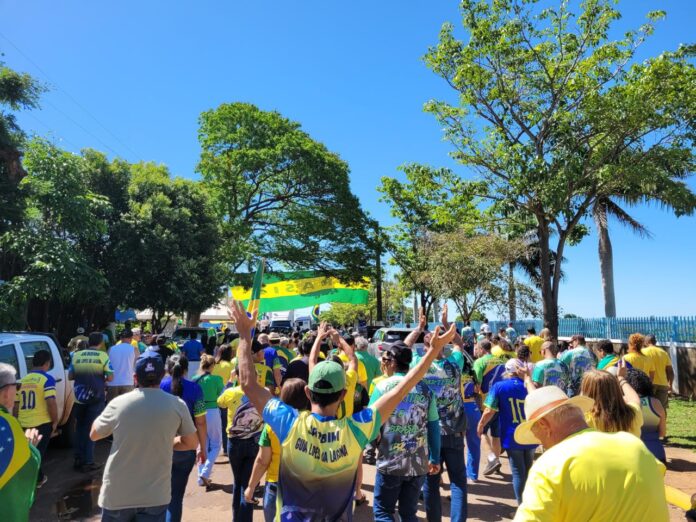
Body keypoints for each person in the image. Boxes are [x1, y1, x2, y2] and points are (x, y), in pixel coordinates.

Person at [231, 299, 456, 521]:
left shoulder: (288, 422)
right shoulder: (356, 429)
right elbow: (401, 390)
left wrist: (244, 336)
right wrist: (432, 351)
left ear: (308, 392)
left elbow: (248, 383)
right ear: (342, 394)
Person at [513, 386, 669, 521]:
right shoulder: (634, 444)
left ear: (544, 425)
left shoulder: (549, 466)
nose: (541, 443)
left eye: (537, 435)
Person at [91, 353, 199, 522]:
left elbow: (94, 434)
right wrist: (167, 441)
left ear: (135, 378)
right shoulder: (177, 404)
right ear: (162, 375)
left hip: (117, 495)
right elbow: (191, 443)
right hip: (155, 497)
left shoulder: (118, 403)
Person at [408, 305, 469, 522]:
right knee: (458, 482)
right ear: (443, 345)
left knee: (431, 482)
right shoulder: (454, 364)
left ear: (425, 347)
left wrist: (419, 328)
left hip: (427, 433)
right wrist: (445, 324)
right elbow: (460, 345)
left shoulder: (418, 365)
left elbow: (404, 347)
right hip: (453, 431)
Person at [369, 341, 440, 522]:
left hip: (389, 461)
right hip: (417, 463)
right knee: (409, 514)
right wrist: (435, 458)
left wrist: (372, 443)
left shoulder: (382, 387)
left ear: (393, 362)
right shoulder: (425, 389)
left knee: (383, 512)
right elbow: (433, 426)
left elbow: (369, 423)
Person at [244, 378, 310, 522]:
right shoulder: (314, 423)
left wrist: (251, 486)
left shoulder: (271, 425)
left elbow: (262, 460)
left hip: (276, 484)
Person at [217, 346, 265, 522]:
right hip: (254, 441)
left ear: (237, 375)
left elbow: (220, 403)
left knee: (238, 482)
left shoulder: (230, 392)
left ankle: (236, 518)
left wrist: (230, 382)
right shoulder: (263, 393)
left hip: (234, 442)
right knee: (247, 483)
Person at [478, 366, 537, 505]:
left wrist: (481, 423)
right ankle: (531, 505)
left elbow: (489, 410)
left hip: (513, 434)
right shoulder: (530, 386)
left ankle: (522, 508)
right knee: (529, 471)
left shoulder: (500, 386)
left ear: (507, 372)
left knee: (518, 472)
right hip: (530, 433)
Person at [160, 355, 207, 522]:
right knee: (176, 497)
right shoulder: (196, 388)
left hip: (160, 447)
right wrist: (202, 448)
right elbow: (201, 422)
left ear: (167, 369)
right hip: (186, 448)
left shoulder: (158, 386)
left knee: (157, 498)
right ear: (186, 369)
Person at [0, 362, 42, 521]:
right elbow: (24, 468)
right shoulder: (8, 424)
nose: (17, 391)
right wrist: (30, 447)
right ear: (5, 392)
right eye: (16, 386)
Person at [69, 332, 114, 472]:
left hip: (79, 397)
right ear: (101, 343)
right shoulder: (103, 356)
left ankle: (78, 458)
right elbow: (110, 377)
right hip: (96, 396)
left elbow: (70, 375)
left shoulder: (76, 355)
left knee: (79, 428)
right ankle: (88, 461)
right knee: (92, 427)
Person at [14, 349, 57, 487]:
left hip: (24, 423)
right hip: (41, 423)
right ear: (47, 363)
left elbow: (16, 405)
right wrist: (55, 421)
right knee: (37, 454)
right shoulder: (47, 379)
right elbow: (51, 402)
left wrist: (16, 422)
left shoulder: (21, 381)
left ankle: (38, 478)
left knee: (29, 453)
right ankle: (35, 480)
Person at [473, 338, 507, 476]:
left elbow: (477, 385)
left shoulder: (480, 362)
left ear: (482, 349)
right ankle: (497, 463)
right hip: (501, 402)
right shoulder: (501, 361)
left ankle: (492, 459)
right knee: (496, 435)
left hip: (486, 402)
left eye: (477, 349)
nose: (476, 351)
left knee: (480, 432)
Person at [580, 365, 643, 438]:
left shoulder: (584, 420)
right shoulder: (634, 414)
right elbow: (633, 398)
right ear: (616, 389)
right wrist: (621, 378)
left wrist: (584, 393)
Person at [192, 355, 224, 488]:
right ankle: (205, 473)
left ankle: (201, 477)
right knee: (216, 444)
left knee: (202, 444)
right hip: (212, 411)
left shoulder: (195, 379)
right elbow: (221, 396)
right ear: (212, 366)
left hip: (198, 412)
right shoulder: (217, 379)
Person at [624, 368, 666, 463]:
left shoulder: (623, 402)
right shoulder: (656, 403)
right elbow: (662, 433)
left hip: (633, 455)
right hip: (657, 454)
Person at [642, 334, 674, 410]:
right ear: (655, 342)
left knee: (648, 408)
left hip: (648, 383)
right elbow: (670, 371)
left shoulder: (642, 352)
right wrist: (670, 385)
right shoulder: (663, 353)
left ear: (647, 342)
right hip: (662, 384)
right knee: (662, 409)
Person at [213, 343, 235, 453]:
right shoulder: (231, 366)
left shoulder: (214, 365)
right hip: (227, 397)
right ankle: (226, 448)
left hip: (213, 398)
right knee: (226, 424)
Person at [106, 329, 138, 402]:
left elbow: (106, 365)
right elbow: (137, 366)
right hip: (128, 382)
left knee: (112, 407)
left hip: (112, 383)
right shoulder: (134, 349)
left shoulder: (111, 349)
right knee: (127, 407)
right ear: (131, 338)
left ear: (120, 338)